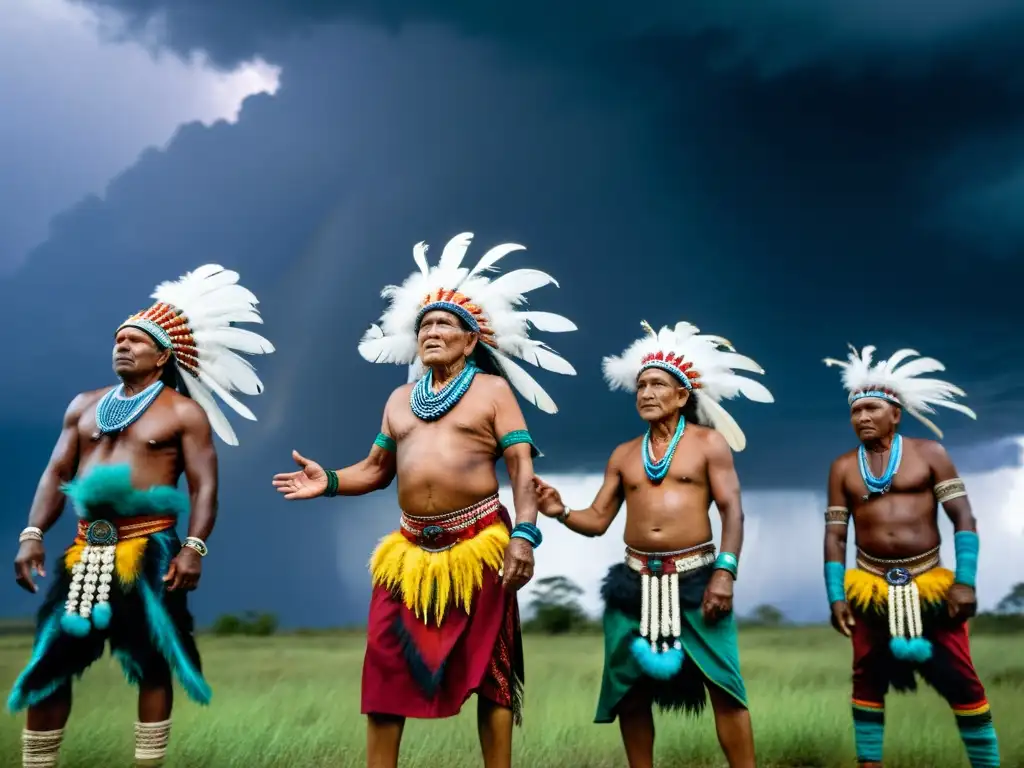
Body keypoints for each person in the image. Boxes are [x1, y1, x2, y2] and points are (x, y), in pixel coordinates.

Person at [271, 232, 576, 768]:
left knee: (492, 672)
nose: (432, 332)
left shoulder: (493, 393)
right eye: (425, 326)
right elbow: (375, 469)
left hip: (482, 544)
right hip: (409, 553)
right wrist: (331, 481)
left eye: (444, 325)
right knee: (386, 663)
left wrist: (525, 537)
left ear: (469, 339)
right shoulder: (398, 401)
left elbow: (522, 468)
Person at [8, 264, 274, 767]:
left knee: (152, 663)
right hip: (85, 550)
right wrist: (31, 533)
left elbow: (205, 486)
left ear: (163, 355)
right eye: (119, 339)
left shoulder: (182, 413)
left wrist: (194, 548)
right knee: (50, 662)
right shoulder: (84, 406)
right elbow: (54, 474)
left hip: (150, 547)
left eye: (135, 340)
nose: (122, 346)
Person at [534, 320, 772, 768]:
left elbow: (733, 512)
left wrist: (725, 571)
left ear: (682, 395)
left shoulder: (708, 444)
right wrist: (560, 510)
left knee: (725, 686)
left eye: (658, 384)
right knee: (630, 690)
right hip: (633, 582)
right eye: (640, 385)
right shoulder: (624, 455)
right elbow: (599, 519)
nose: (646, 392)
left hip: (699, 578)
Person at [822, 345, 999, 768]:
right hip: (869, 587)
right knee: (866, 677)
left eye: (871, 409)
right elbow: (834, 537)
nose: (862, 417)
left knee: (962, 679)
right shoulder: (843, 467)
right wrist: (836, 596)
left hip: (931, 584)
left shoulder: (930, 455)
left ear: (895, 414)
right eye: (855, 411)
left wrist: (965, 581)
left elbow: (964, 519)